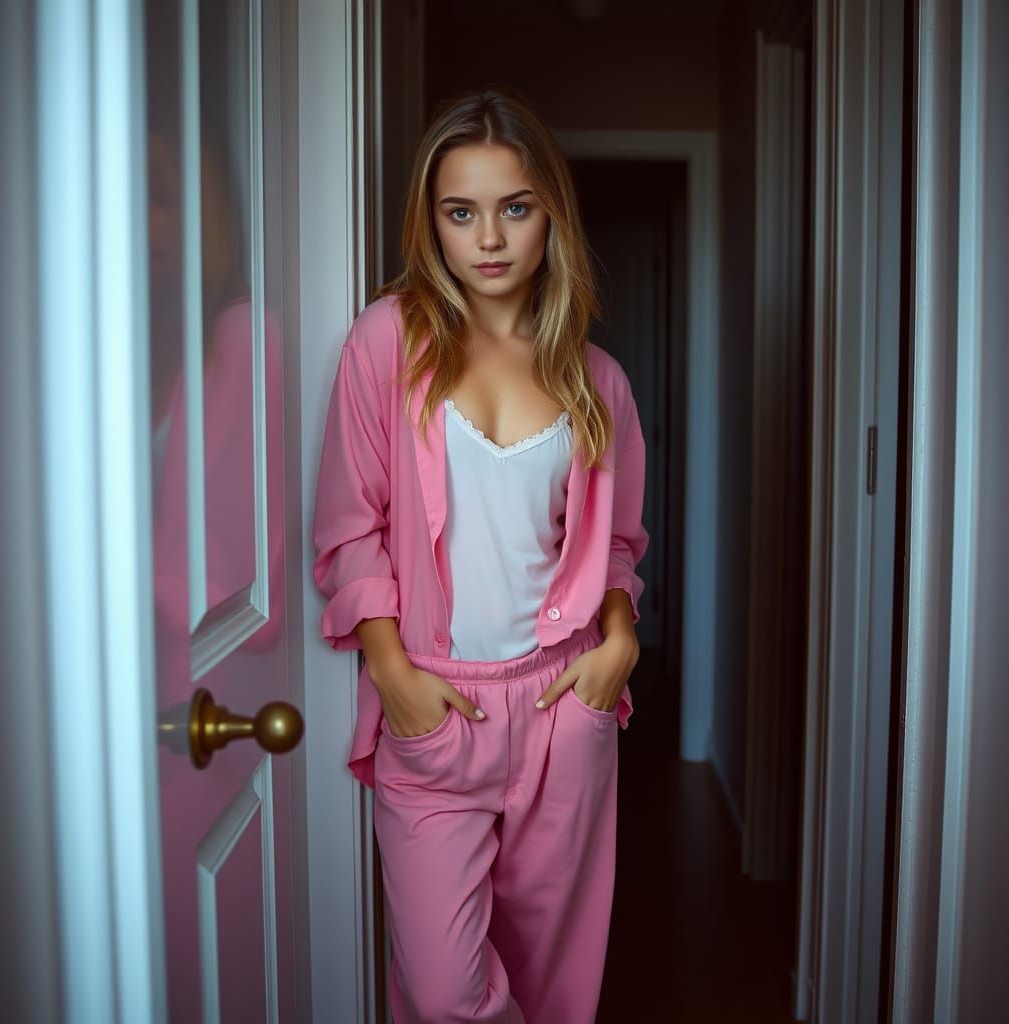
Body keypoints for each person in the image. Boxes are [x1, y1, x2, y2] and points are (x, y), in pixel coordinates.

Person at [312, 86, 649, 1024]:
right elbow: (349, 526)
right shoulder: (387, 344)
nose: (489, 239)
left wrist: (616, 646)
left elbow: (618, 545)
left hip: (561, 706)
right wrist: (393, 671)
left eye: (515, 208)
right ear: (432, 223)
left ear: (552, 216)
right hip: (436, 708)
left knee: (554, 978)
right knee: (445, 986)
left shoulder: (599, 383)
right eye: (461, 213)